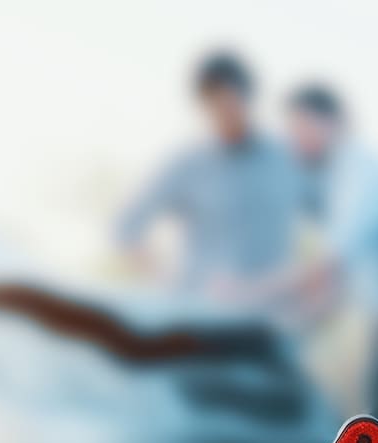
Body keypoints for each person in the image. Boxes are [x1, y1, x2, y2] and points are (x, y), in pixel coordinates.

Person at [265, 83, 378, 411]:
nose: (294, 141)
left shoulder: (362, 173)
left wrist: (246, 294)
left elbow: (326, 265)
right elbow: (336, 282)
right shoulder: (343, 176)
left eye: (300, 127)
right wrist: (293, 324)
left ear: (332, 122)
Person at [115, 51, 302, 299]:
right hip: (200, 314)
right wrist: (164, 282)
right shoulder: (186, 163)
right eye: (213, 106)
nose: (223, 115)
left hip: (268, 315)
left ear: (248, 98)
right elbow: (126, 226)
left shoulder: (289, 158)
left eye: (230, 104)